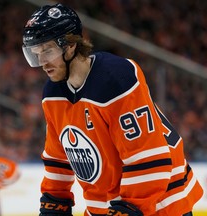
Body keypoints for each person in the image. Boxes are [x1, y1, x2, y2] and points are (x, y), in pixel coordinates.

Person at [22, 3, 203, 216]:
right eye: (36, 52)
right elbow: (58, 158)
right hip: (110, 206)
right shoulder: (53, 92)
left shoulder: (116, 78)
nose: (41, 61)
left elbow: (148, 158)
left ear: (70, 45)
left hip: (162, 203)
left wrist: (128, 209)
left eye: (47, 50)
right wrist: (55, 201)